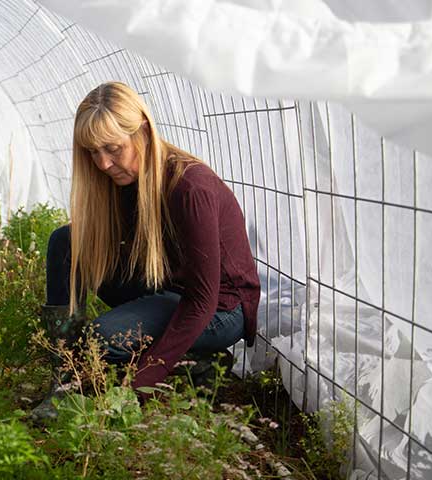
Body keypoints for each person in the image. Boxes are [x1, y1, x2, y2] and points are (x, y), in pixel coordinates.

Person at [30, 82, 260, 421]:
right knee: (66, 242)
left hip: (220, 309)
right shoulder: (124, 178)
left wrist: (140, 381)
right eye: (93, 152)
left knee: (101, 338)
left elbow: (202, 299)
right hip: (167, 289)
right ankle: (66, 378)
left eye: (112, 148)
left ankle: (192, 363)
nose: (103, 164)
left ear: (143, 131)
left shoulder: (189, 188)